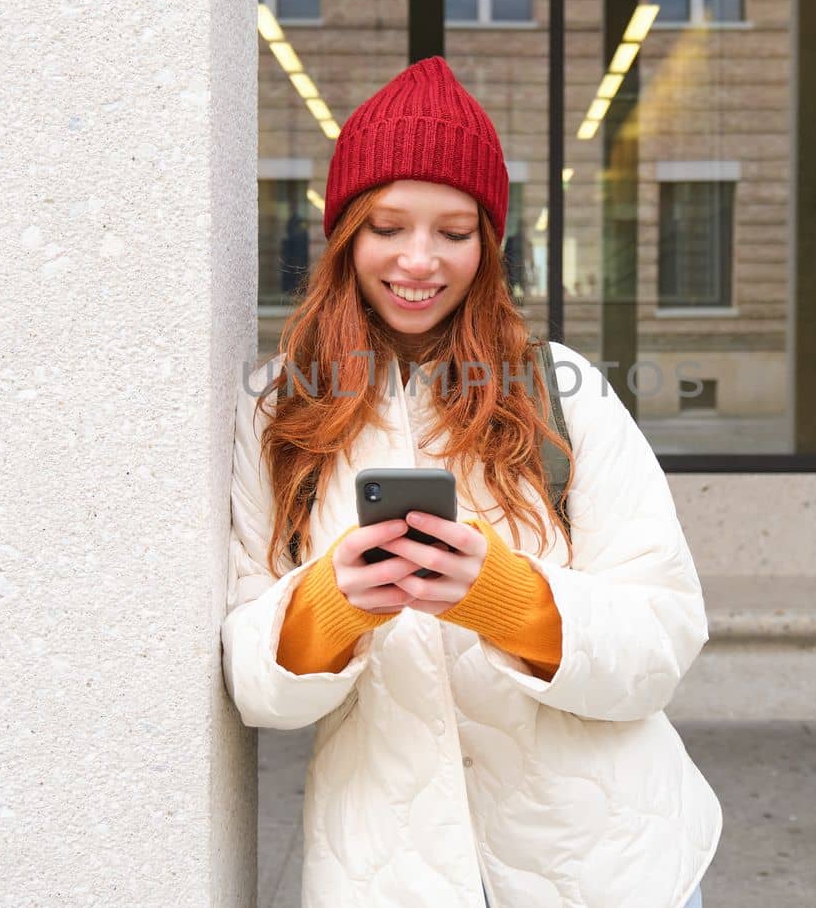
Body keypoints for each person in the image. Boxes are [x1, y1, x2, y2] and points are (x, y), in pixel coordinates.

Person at [221, 56, 720, 907]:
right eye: (388, 226)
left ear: (488, 244)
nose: (420, 260)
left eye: (453, 233)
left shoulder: (564, 390)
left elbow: (665, 637)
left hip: (608, 866)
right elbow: (251, 680)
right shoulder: (279, 410)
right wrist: (332, 603)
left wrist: (503, 597)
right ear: (344, 234)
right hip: (389, 873)